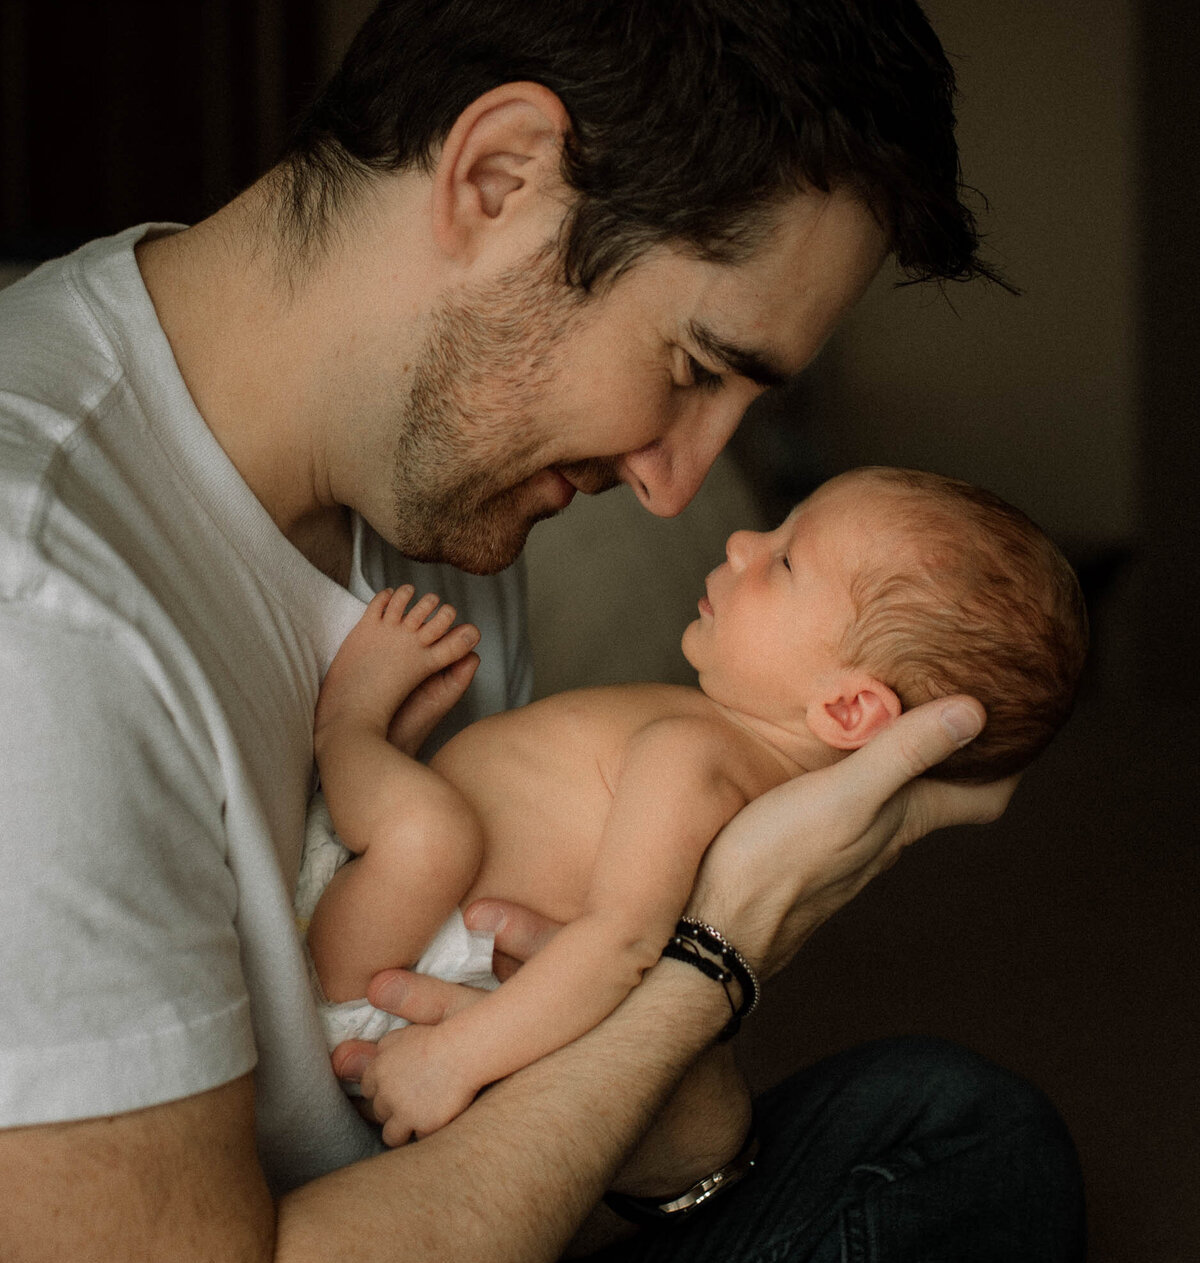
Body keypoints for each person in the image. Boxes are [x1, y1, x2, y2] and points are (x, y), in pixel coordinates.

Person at [0, 0, 1085, 1263]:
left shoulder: (439, 497)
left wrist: (667, 1018)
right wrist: (723, 945)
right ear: (501, 177)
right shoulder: (39, 605)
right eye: (694, 368)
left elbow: (573, 1091)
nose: (672, 483)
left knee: (953, 1129)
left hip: (437, 1175)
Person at [302, 466, 1088, 1149]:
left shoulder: (700, 760)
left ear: (848, 712)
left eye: (783, 561)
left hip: (379, 968)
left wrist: (457, 1060)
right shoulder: (741, 765)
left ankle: (348, 729)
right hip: (422, 948)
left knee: (430, 835)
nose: (744, 541)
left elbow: (620, 944)